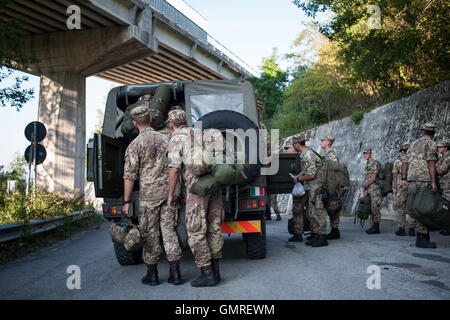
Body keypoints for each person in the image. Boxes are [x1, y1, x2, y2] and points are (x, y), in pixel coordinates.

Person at [121, 106, 183, 286]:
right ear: (150, 120)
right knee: (169, 231)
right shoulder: (166, 139)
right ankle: (176, 274)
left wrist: (126, 201)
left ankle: (152, 274)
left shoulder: (135, 145)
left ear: (134, 123)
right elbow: (176, 166)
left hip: (149, 197)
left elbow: (129, 176)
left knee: (149, 234)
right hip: (169, 193)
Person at [167, 109, 224, 287]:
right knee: (214, 227)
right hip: (214, 185)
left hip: (197, 190)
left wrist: (171, 194)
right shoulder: (202, 133)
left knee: (196, 231)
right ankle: (216, 271)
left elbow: (175, 169)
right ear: (186, 121)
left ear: (171, 125)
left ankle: (206, 273)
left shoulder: (176, 138)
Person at [402, 123, 439, 248]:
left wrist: (404, 179)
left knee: (417, 207)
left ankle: (422, 236)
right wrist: (433, 181)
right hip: (424, 179)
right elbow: (431, 163)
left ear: (423, 132)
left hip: (412, 178)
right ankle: (422, 238)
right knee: (424, 208)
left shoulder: (413, 144)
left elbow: (405, 162)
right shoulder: (431, 143)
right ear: (432, 133)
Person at [291, 134, 328, 247]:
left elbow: (311, 174)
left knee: (318, 212)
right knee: (312, 212)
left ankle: (322, 237)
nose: (293, 146)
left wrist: (298, 178)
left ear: (297, 144)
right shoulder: (306, 154)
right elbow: (306, 170)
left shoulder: (308, 155)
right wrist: (298, 175)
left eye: (294, 144)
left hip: (315, 188)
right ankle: (316, 235)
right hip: (311, 188)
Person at [320, 136, 341, 240]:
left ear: (328, 142)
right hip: (327, 186)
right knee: (330, 209)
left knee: (333, 208)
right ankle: (334, 230)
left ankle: (335, 230)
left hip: (332, 187)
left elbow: (336, 171)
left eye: (322, 140)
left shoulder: (332, 155)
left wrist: (333, 187)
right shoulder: (326, 155)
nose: (321, 142)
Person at [393, 143, 416, 236]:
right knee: (412, 207)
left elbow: (394, 175)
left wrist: (394, 187)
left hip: (401, 186)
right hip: (412, 186)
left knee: (401, 208)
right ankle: (411, 229)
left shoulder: (398, 161)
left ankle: (401, 228)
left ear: (402, 151)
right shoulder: (414, 161)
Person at [362, 148, 383, 234]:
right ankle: (374, 226)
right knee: (371, 208)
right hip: (369, 189)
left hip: (375, 189)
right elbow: (367, 178)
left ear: (370, 153)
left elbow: (373, 178)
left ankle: (376, 227)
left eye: (367, 153)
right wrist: (365, 188)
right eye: (364, 153)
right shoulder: (367, 164)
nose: (365, 155)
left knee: (375, 208)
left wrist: (365, 186)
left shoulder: (375, 163)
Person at [436, 141, 450, 236]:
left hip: (448, 185)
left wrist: (432, 164)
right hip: (444, 185)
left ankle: (448, 227)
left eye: (440, 147)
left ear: (446, 148)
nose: (438, 149)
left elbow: (441, 171)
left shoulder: (448, 158)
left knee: (448, 206)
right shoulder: (443, 157)